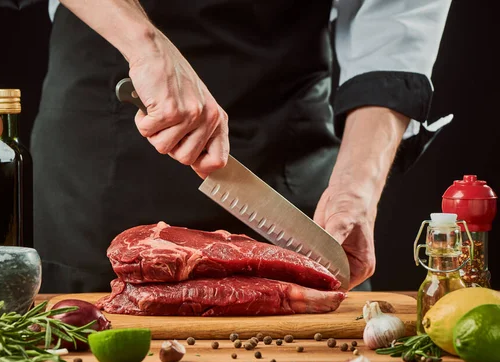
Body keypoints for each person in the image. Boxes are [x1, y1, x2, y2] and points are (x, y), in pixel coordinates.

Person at [29, 0, 453, 293]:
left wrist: (355, 191)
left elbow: (396, 22)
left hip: (286, 147)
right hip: (104, 152)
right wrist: (145, 46)